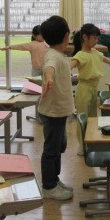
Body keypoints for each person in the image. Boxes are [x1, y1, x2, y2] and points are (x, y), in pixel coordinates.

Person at [38, 15, 74, 200]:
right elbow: (49, 68)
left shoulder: (59, 55)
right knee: (51, 150)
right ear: (67, 35)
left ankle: (55, 179)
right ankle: (49, 186)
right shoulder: (52, 55)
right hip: (53, 112)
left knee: (59, 146)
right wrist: (49, 78)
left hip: (59, 112)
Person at [71, 23, 110, 154]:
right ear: (85, 37)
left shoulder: (95, 52)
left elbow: (104, 59)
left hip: (94, 88)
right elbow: (71, 65)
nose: (96, 41)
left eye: (97, 38)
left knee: (92, 117)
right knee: (82, 117)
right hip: (84, 88)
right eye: (94, 38)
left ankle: (90, 141)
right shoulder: (80, 54)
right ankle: (82, 145)